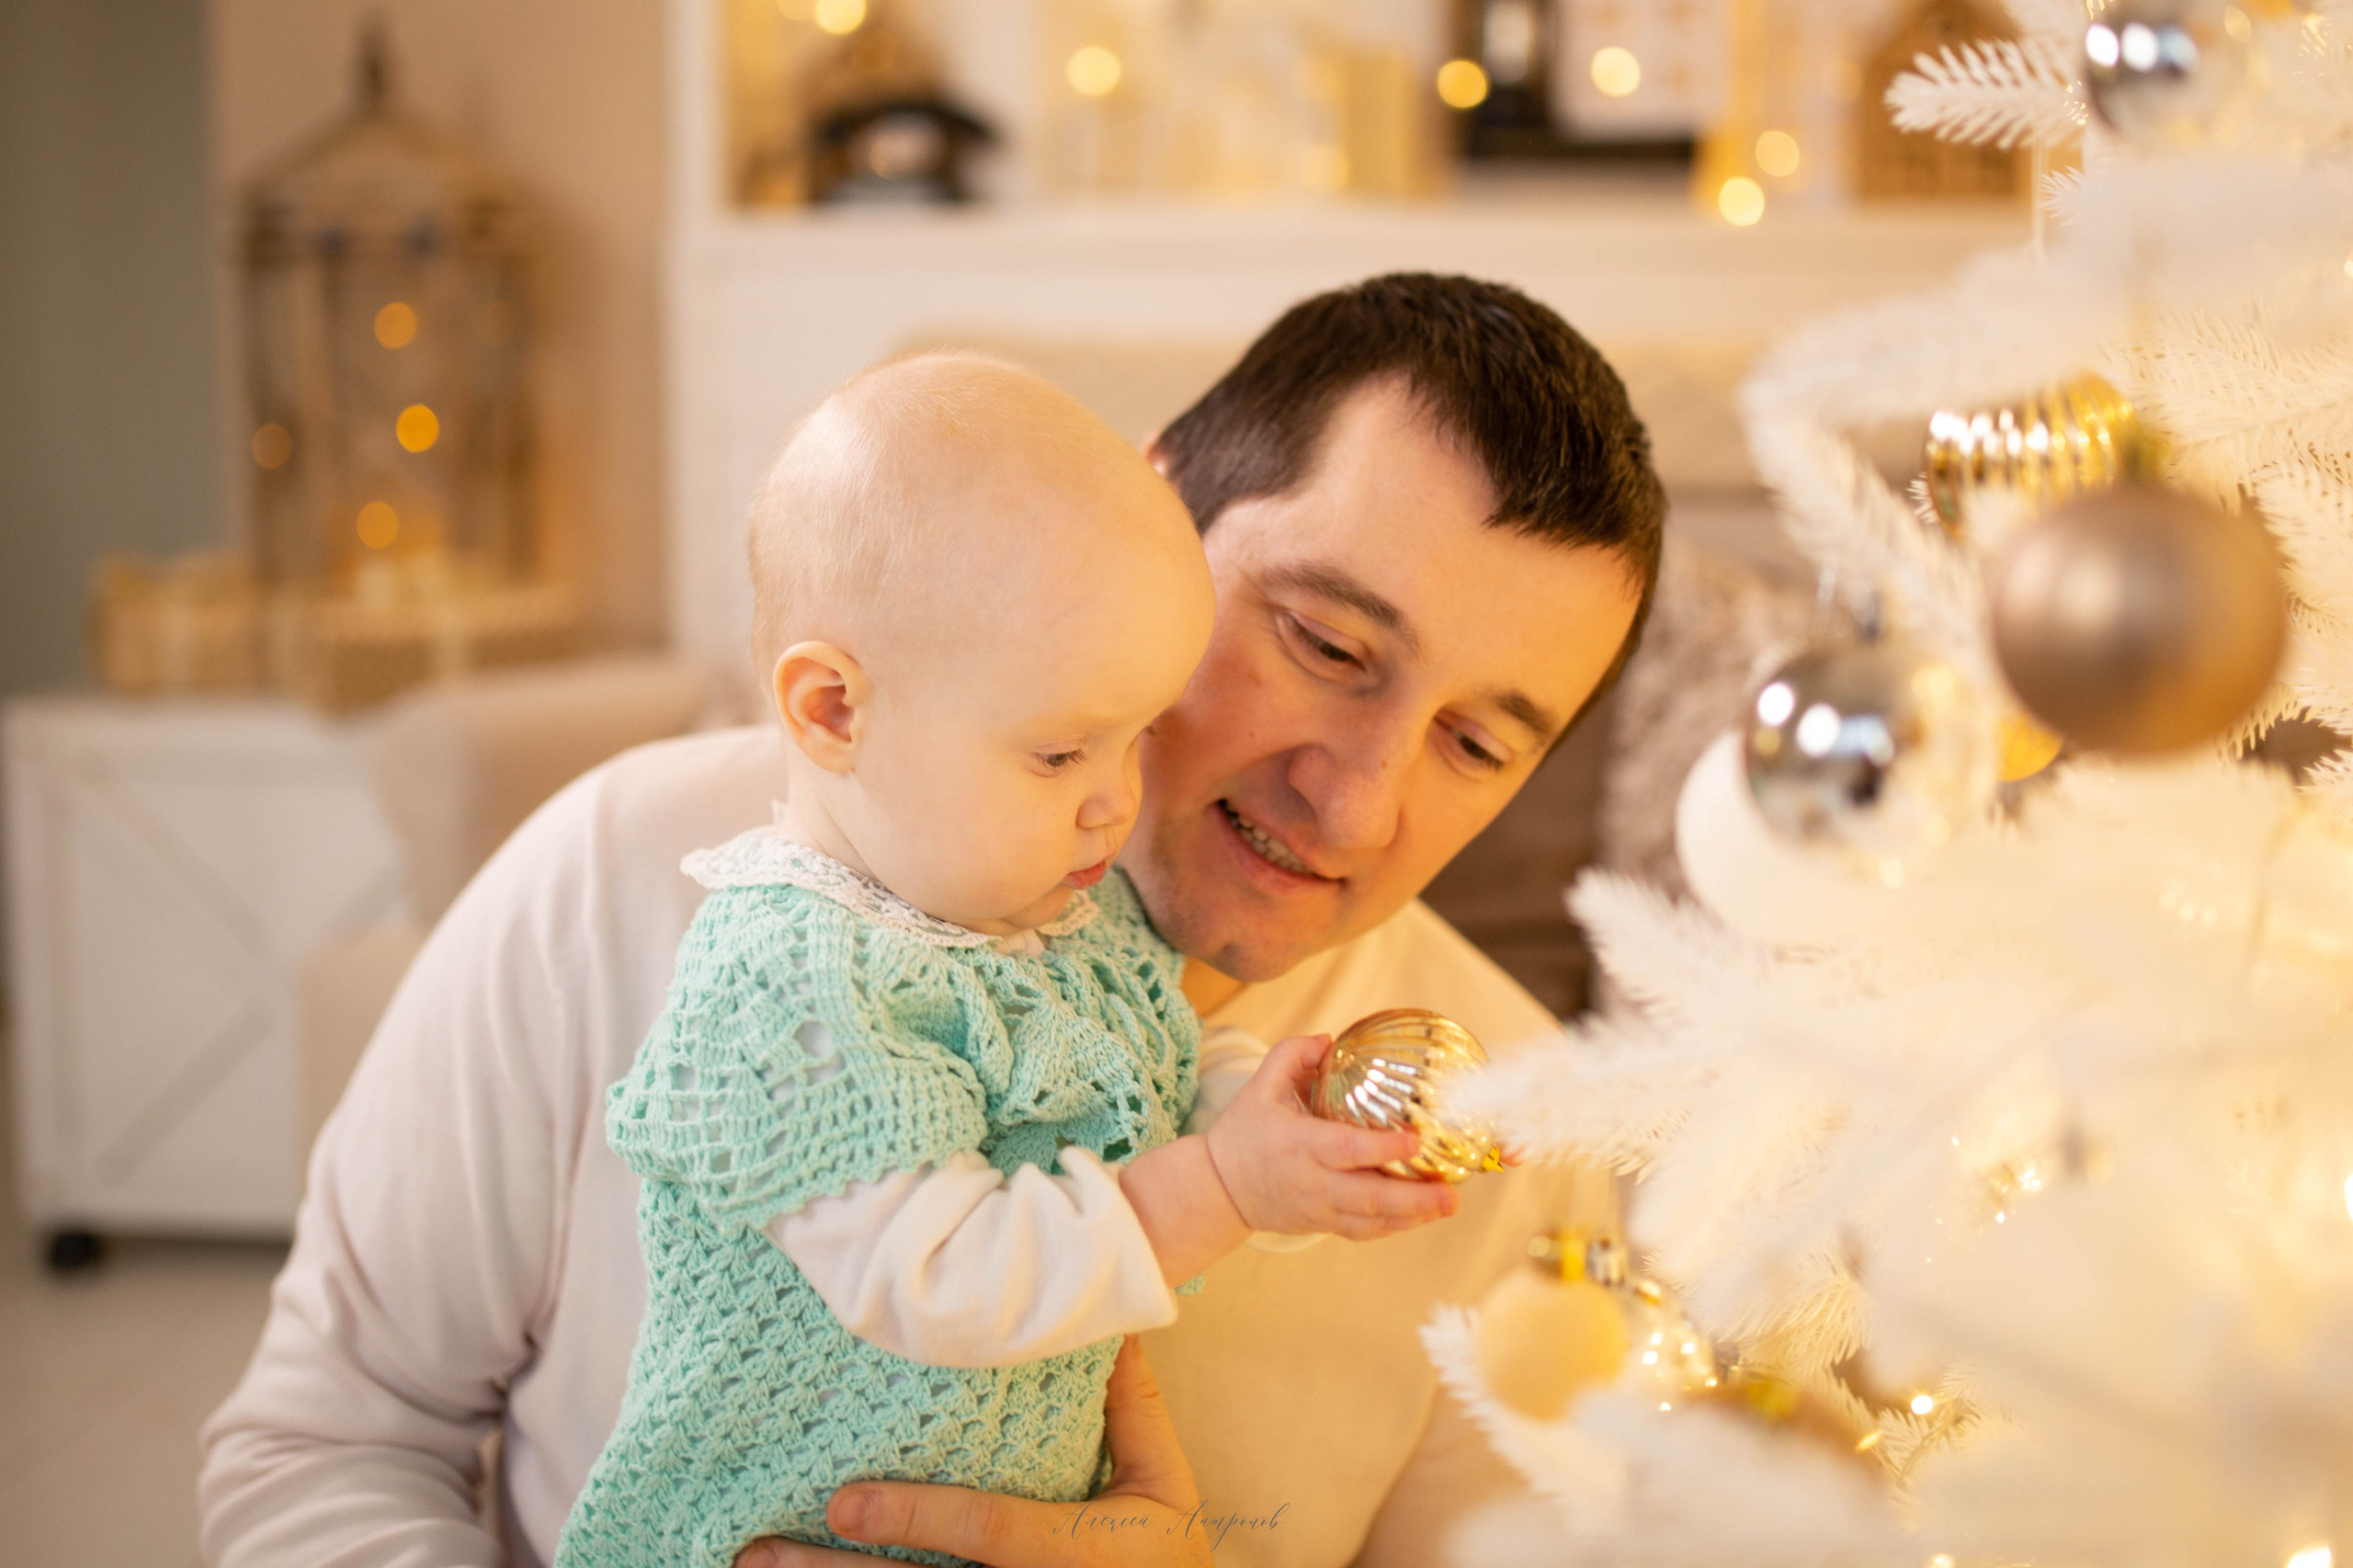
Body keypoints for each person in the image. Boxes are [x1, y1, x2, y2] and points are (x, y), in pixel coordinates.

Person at [199, 273, 1665, 1568]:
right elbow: (322, 1445)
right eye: (1327, 643)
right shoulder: (625, 874)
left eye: (1478, 744)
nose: (1355, 803)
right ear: (1149, 519)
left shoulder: (1507, 1138)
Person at [555, 354, 1460, 1568]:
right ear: (834, 711)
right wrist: (1227, 1189)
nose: (1113, 804)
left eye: (1134, 740)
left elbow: (1155, 1080)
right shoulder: (789, 976)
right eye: (1059, 755)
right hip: (748, 1538)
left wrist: (1270, 1116)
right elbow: (942, 1275)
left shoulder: (1056, 922)